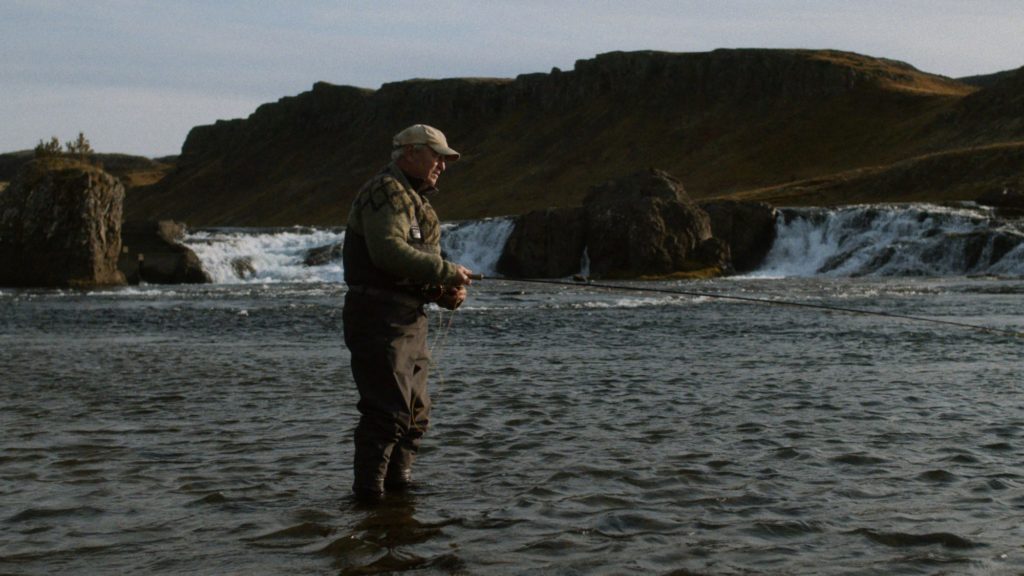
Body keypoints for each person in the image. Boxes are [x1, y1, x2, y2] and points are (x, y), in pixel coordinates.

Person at [342, 124, 473, 503]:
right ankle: (368, 501)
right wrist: (447, 272)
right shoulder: (385, 191)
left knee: (415, 415)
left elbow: (409, 269)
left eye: (446, 160)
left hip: (408, 320)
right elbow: (388, 253)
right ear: (410, 152)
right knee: (388, 413)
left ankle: (398, 495)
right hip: (377, 318)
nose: (442, 166)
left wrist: (442, 293)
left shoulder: (416, 202)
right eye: (437, 156)